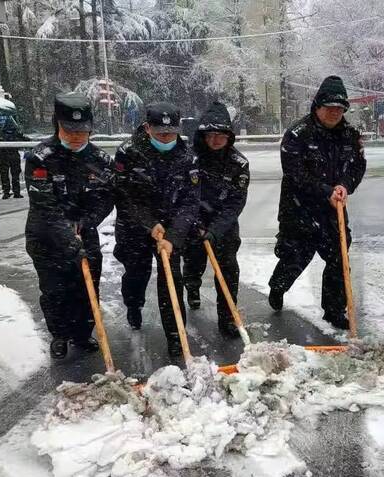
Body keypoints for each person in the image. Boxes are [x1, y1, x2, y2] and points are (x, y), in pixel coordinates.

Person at [268, 75, 367, 329]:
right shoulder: (297, 135)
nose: (335, 113)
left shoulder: (351, 136)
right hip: (299, 207)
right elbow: (295, 173)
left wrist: (345, 186)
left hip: (334, 210)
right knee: (296, 257)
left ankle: (334, 311)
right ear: (317, 106)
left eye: (339, 109)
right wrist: (325, 190)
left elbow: (357, 167)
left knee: (338, 259)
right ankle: (278, 287)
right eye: (329, 108)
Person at [24, 93, 114, 359]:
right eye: (69, 130)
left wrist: (87, 222)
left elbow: (107, 197)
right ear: (57, 125)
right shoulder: (41, 158)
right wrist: (69, 237)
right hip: (47, 238)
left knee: (87, 287)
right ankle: (60, 335)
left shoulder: (100, 160)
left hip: (85, 232)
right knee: (55, 290)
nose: (76, 135)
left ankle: (82, 334)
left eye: (82, 130)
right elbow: (45, 207)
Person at [114, 102, 199, 355]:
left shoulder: (188, 156)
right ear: (147, 128)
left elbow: (190, 202)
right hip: (134, 226)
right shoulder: (128, 153)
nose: (166, 137)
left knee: (172, 279)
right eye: (160, 133)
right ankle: (133, 305)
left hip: (171, 230)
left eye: (171, 133)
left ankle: (175, 335)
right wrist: (149, 224)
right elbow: (125, 196)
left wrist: (173, 235)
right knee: (136, 273)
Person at [182, 101, 250, 338]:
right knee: (193, 263)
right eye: (210, 135)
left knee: (228, 271)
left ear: (229, 136)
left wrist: (215, 230)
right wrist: (195, 224)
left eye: (221, 136)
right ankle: (192, 285)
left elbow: (235, 204)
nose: (215, 141)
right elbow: (183, 196)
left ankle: (228, 318)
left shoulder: (238, 164)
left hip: (224, 226)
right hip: (193, 222)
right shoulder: (189, 159)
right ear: (203, 135)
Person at [0, 118, 29, 199]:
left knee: (4, 175)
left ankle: (6, 192)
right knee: (14, 175)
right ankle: (16, 192)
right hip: (13, 156)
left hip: (4, 157)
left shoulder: (0, 134)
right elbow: (25, 140)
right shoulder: (16, 133)